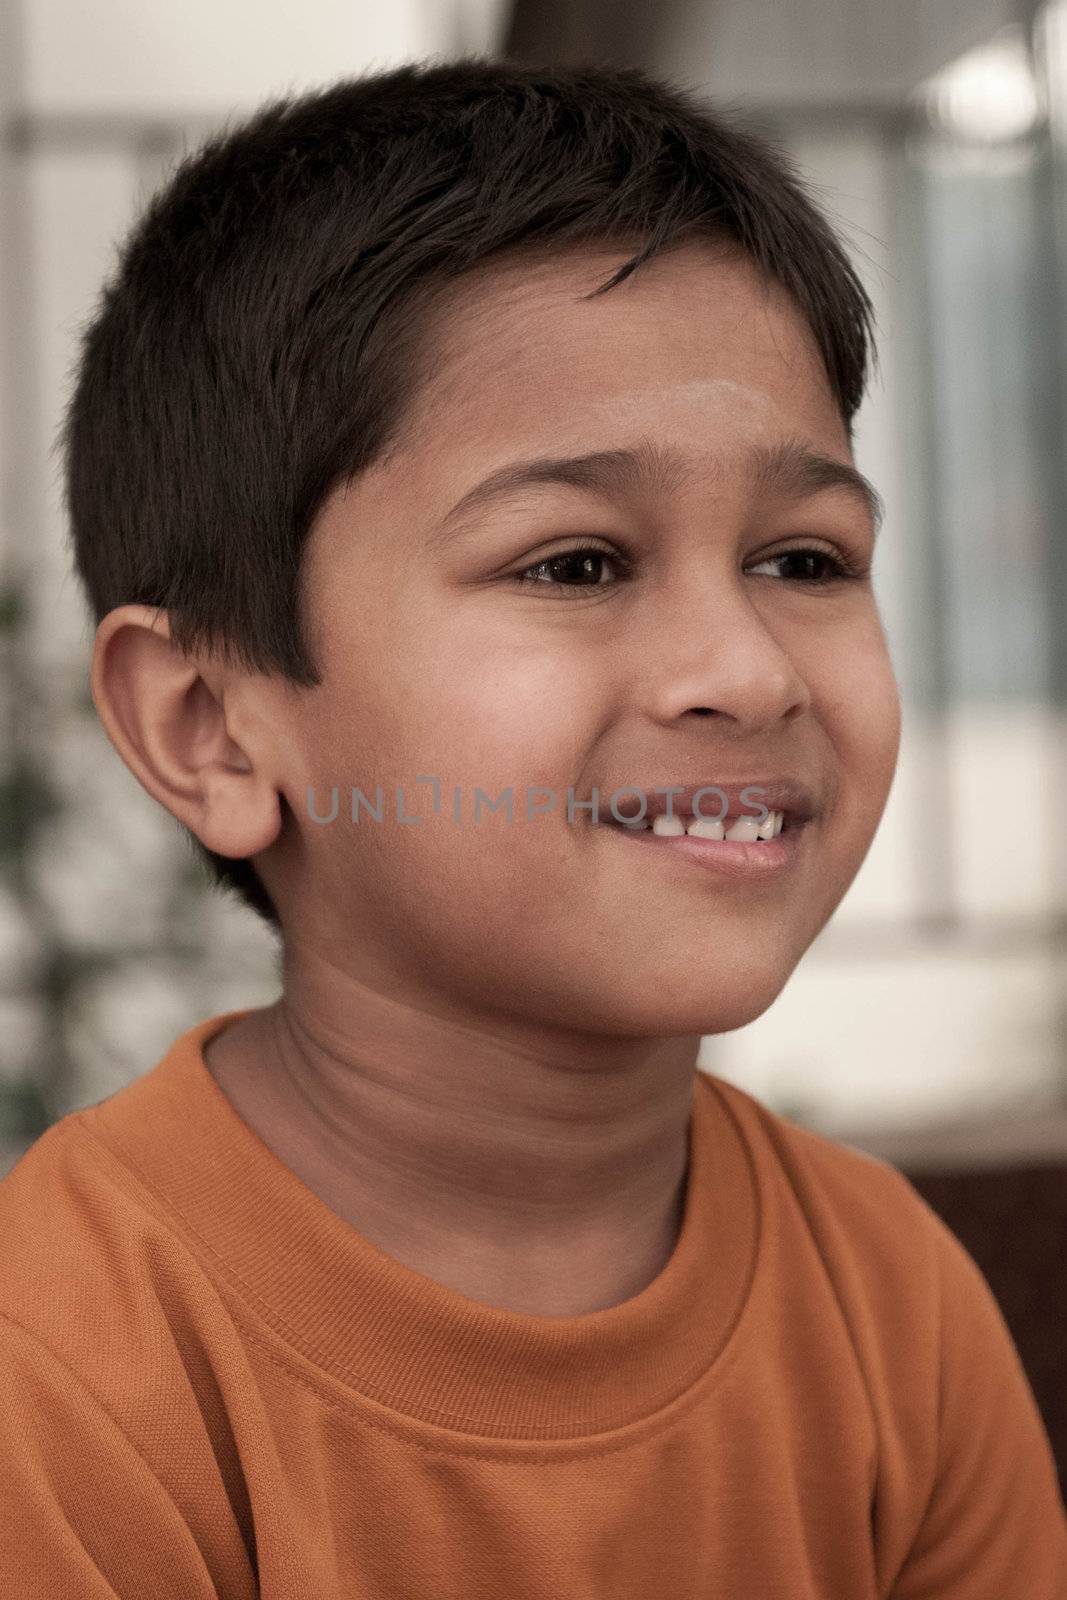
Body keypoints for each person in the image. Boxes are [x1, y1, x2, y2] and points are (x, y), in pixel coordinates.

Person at [1, 56, 1063, 1598]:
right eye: (574, 564)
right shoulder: (66, 1374)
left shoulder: (891, 1303)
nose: (744, 671)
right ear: (210, 728)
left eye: (806, 560)